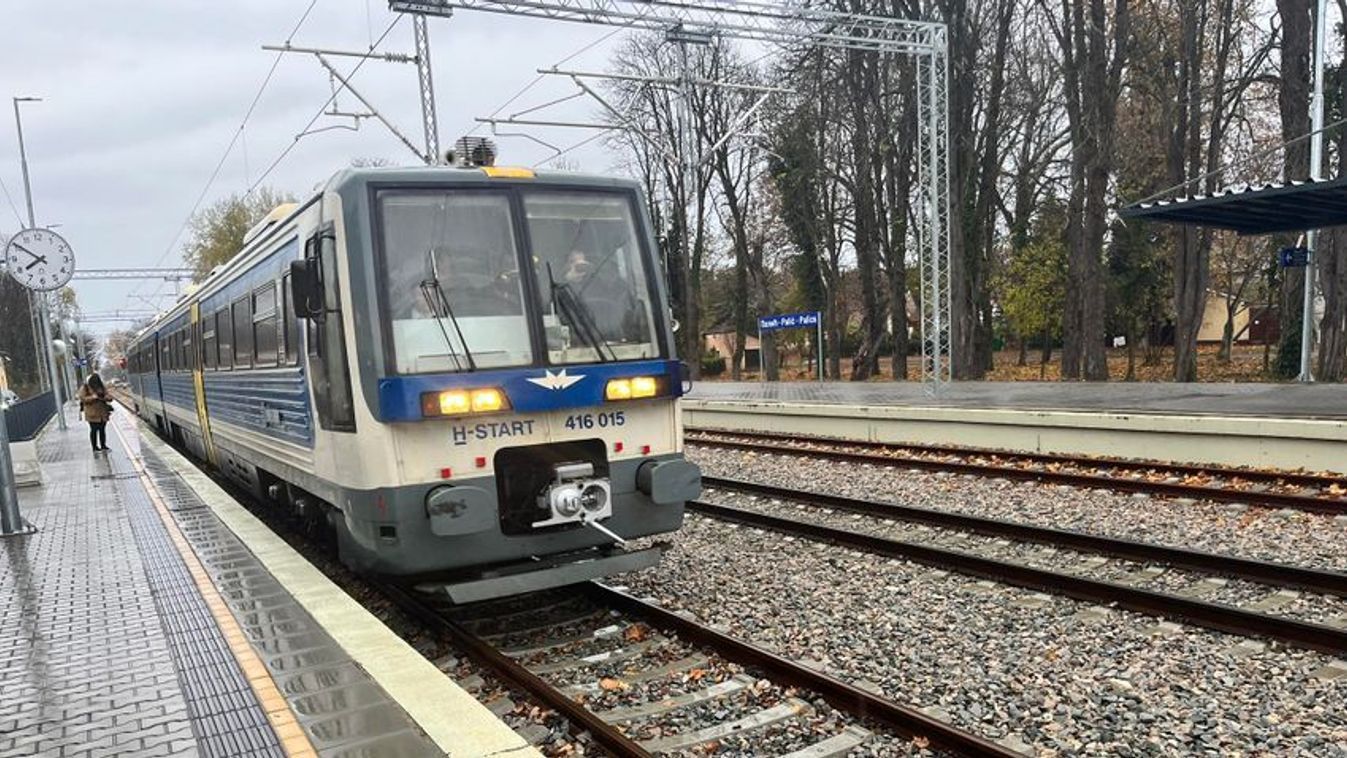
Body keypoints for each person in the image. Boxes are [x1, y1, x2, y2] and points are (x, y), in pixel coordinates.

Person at [78, 373, 113, 454]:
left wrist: (106, 397)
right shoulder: (85, 387)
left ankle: (103, 446)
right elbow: (82, 398)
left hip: (102, 412)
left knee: (102, 430)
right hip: (92, 413)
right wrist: (92, 397)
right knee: (94, 430)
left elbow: (108, 396)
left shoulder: (101, 386)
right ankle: (95, 447)